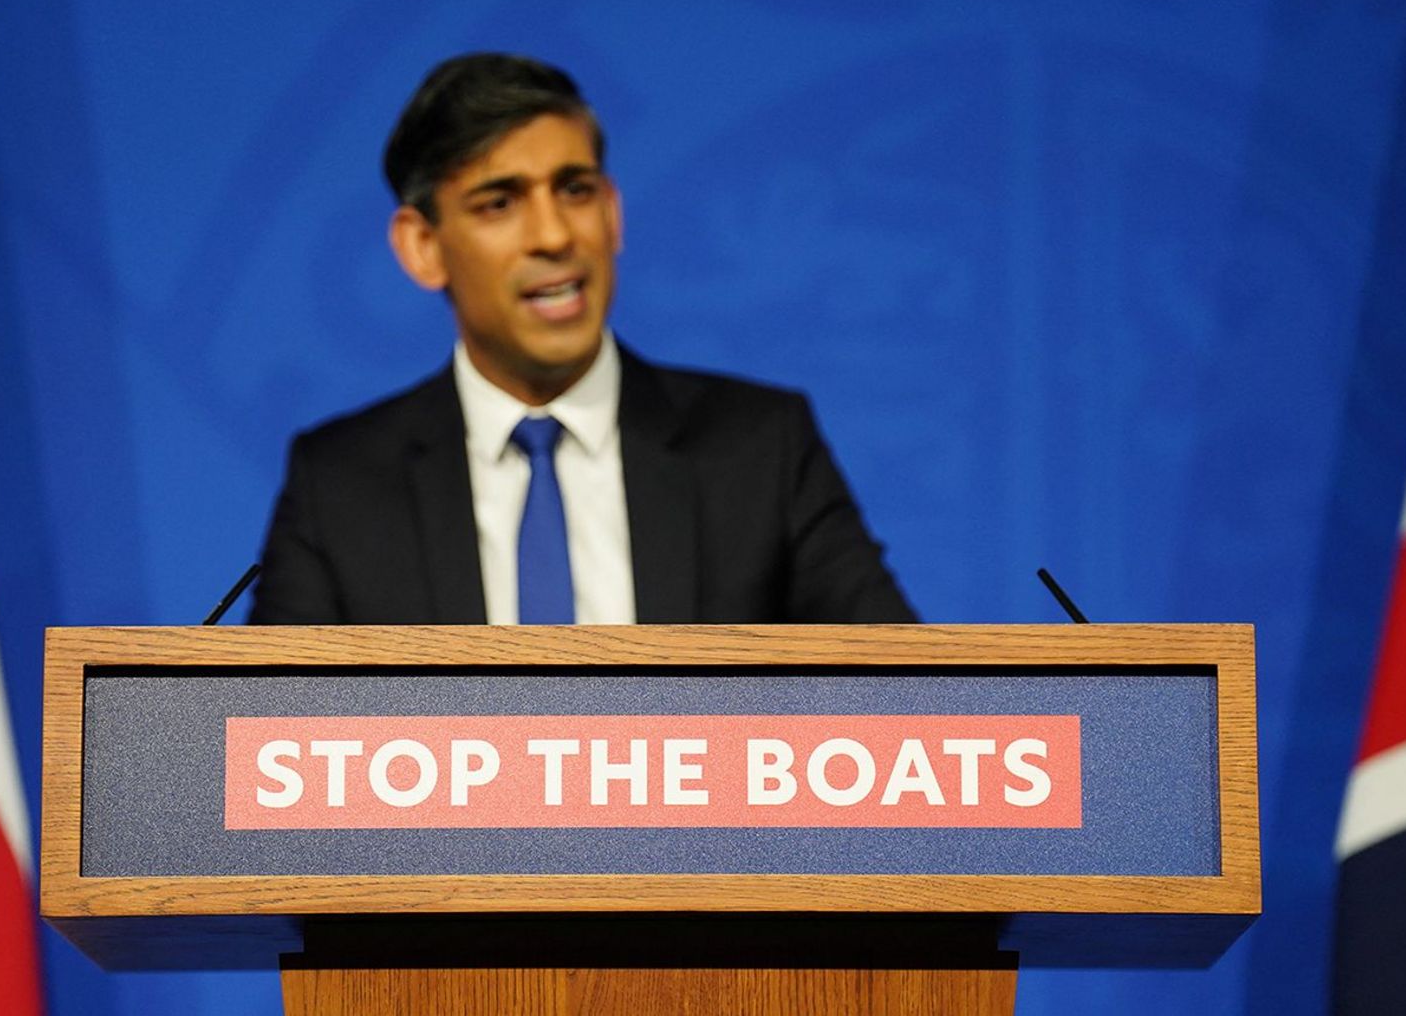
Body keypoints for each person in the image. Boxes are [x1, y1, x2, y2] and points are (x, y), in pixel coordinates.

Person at [250, 53, 915, 626]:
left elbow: (909, 705)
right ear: (423, 247)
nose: (555, 235)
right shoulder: (339, 485)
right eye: (499, 203)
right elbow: (261, 745)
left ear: (613, 212)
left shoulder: (760, 449)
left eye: (574, 190)